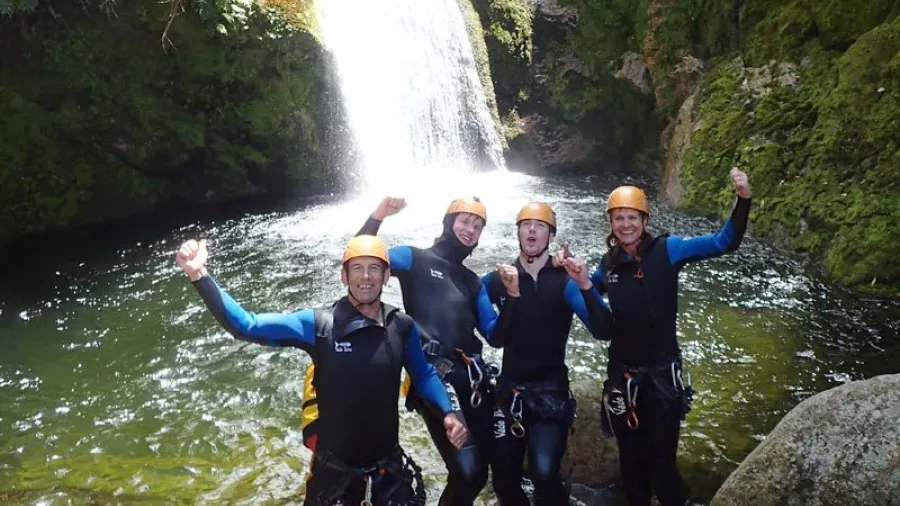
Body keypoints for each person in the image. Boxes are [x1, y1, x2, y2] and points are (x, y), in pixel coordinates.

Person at [175, 235, 467, 506]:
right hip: (334, 472)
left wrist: (449, 414)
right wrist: (198, 274)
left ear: (386, 276)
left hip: (387, 468)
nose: (365, 277)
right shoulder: (319, 326)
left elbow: (424, 375)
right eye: (357, 269)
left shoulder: (401, 327)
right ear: (344, 276)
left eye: (374, 269)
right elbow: (246, 325)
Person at [592, 168, 752, 506]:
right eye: (618, 218)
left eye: (631, 217)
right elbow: (584, 299)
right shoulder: (606, 266)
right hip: (623, 375)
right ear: (611, 223)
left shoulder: (669, 250)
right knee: (631, 462)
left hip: (662, 375)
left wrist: (743, 199)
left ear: (644, 219)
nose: (625, 225)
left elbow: (725, 242)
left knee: (663, 462)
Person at [356, 196, 502, 506]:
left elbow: (495, 334)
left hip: (472, 379)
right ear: (449, 223)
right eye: (465, 221)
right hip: (434, 378)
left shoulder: (473, 282)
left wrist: (515, 296)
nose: (470, 229)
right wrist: (378, 216)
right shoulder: (414, 259)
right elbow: (362, 257)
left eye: (477, 226)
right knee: (470, 472)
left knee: (478, 470)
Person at [482, 201, 613, 506]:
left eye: (540, 226)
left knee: (543, 472)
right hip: (509, 393)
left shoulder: (563, 282)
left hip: (549, 394)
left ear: (550, 236)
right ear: (517, 233)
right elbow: (467, 303)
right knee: (502, 479)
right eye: (526, 225)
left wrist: (584, 284)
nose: (532, 230)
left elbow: (603, 329)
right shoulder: (498, 280)